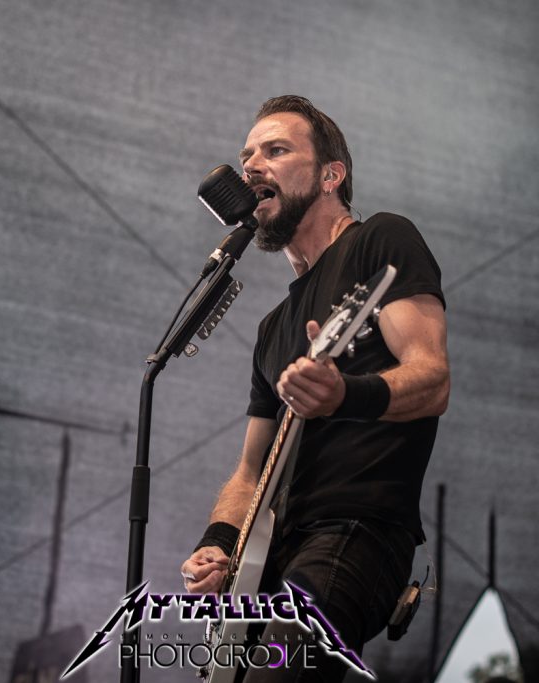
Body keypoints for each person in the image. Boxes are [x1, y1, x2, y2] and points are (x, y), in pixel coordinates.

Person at [180, 95, 450, 681]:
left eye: (276, 150)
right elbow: (249, 472)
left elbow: (432, 380)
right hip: (268, 558)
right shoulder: (273, 327)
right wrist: (219, 543)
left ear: (331, 176)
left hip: (355, 532)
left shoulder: (380, 240)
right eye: (247, 156)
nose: (252, 166)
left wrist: (343, 395)